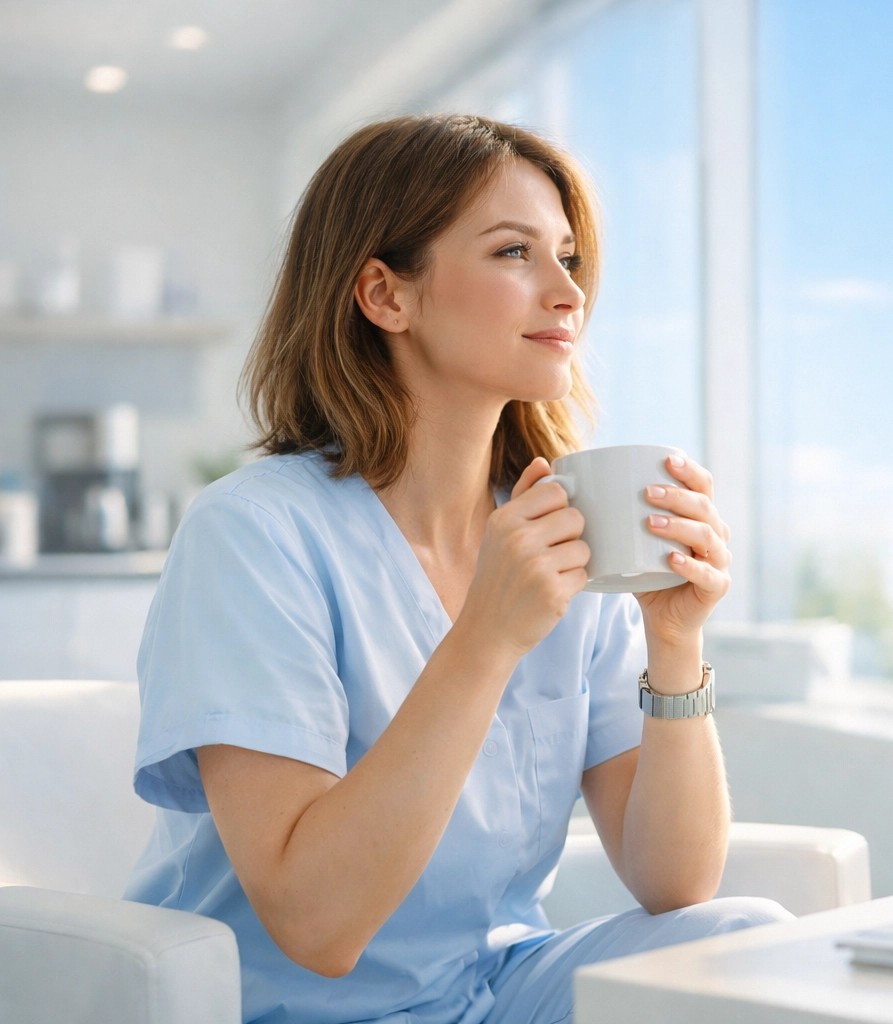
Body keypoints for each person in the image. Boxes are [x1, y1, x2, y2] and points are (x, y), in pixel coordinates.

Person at [124, 113, 790, 1024]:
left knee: (744, 940)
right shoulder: (252, 534)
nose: (567, 293)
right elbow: (317, 929)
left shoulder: (562, 526)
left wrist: (675, 642)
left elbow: (676, 883)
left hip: (492, 992)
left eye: (569, 258)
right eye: (515, 252)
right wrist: (486, 637)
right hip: (292, 1010)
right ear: (384, 295)